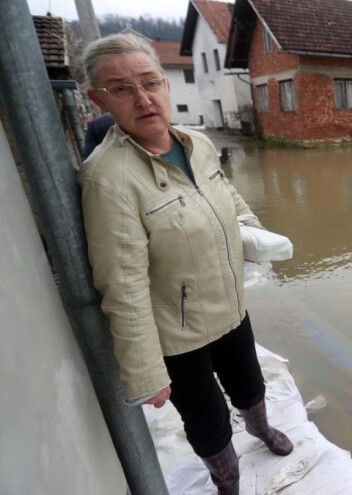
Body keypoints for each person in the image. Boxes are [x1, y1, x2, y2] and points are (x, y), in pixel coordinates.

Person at [77, 33, 291, 494]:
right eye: (122, 89)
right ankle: (227, 481)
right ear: (99, 100)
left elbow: (228, 196)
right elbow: (122, 283)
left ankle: (261, 429)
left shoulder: (197, 142)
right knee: (207, 420)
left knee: (250, 385)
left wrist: (256, 235)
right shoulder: (107, 179)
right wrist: (146, 372)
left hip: (229, 305)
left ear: (165, 84)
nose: (143, 98)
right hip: (177, 333)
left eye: (150, 82)